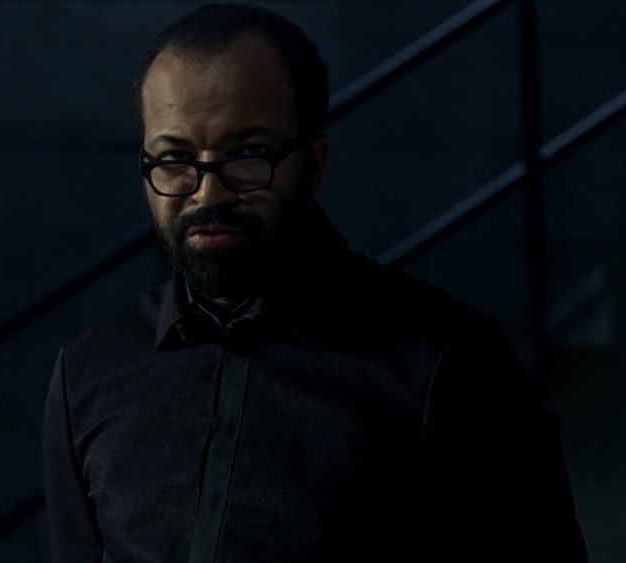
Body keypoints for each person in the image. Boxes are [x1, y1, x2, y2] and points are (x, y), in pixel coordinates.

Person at [43, 4, 587, 562]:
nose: (208, 193)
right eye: (175, 158)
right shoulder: (86, 372)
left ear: (315, 163)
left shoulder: (450, 363)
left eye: (248, 155)